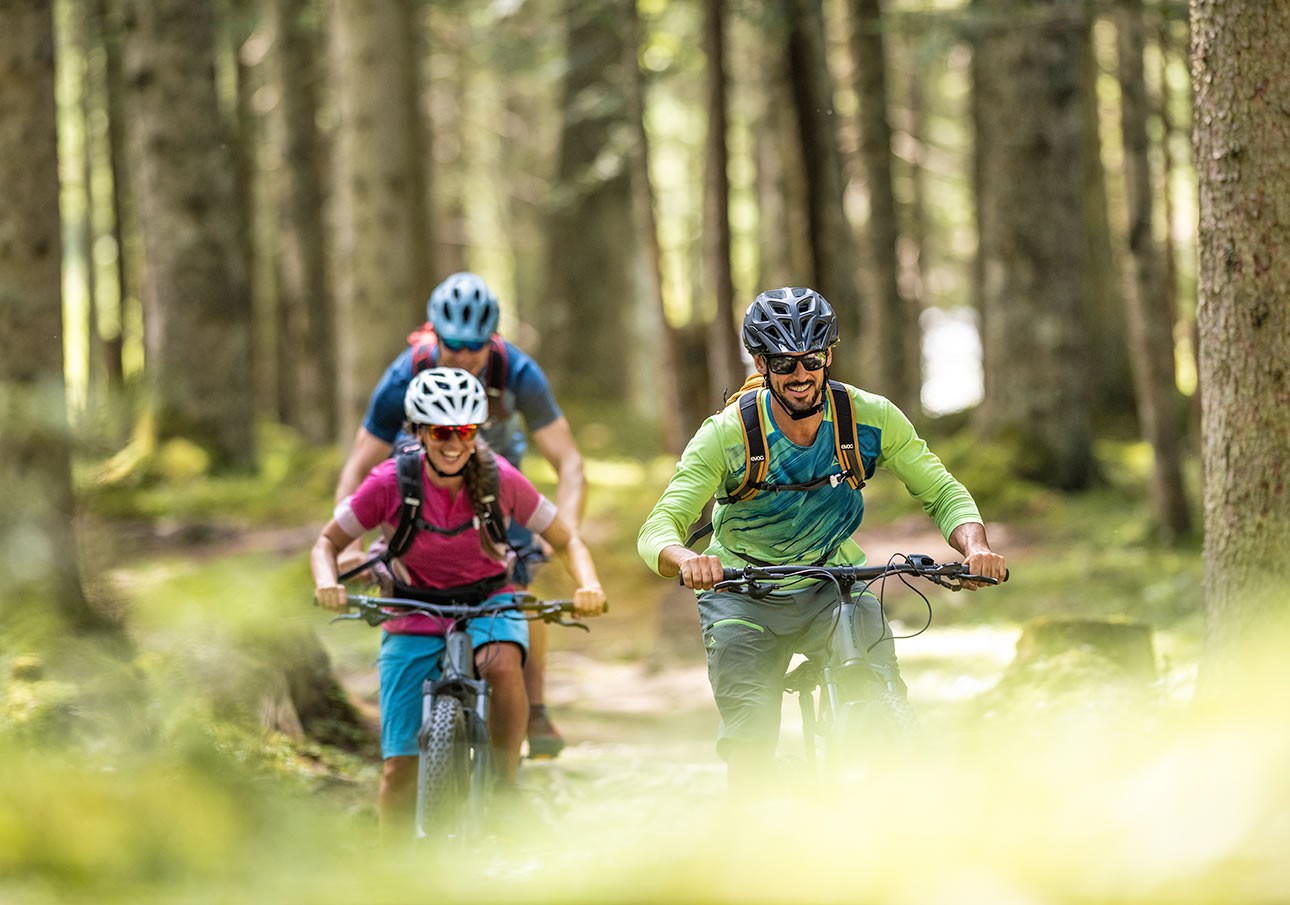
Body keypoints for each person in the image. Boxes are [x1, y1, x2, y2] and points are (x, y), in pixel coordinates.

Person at [636, 286, 1007, 793]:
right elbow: (659, 526)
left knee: (881, 689)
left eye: (811, 359)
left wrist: (975, 548)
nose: (800, 375)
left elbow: (941, 490)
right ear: (762, 364)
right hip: (743, 593)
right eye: (785, 363)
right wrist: (686, 559)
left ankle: (901, 800)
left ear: (828, 355)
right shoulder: (728, 435)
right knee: (750, 737)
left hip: (835, 584)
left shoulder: (866, 417)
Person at [313, 368, 605, 832]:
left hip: (489, 600)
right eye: (441, 431)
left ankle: (505, 786)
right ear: (419, 431)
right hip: (410, 609)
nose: (453, 443)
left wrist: (588, 586)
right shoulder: (389, 482)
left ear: (476, 432)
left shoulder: (500, 478)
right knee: (398, 769)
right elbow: (326, 543)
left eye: (464, 431)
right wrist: (328, 582)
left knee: (504, 665)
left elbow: (565, 539)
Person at [334, 271, 586, 758]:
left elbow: (569, 462)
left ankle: (533, 709)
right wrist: (347, 547)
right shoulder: (404, 373)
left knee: (519, 587)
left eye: (476, 347)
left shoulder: (517, 372)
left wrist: (563, 530)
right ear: (433, 334)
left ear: (492, 339)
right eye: (453, 345)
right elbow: (358, 466)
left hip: (499, 492)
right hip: (424, 491)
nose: (464, 357)